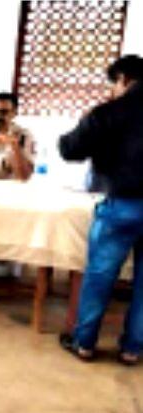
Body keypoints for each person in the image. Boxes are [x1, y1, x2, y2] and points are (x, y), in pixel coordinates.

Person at [58, 55, 143, 366]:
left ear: (123, 79)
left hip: (122, 205)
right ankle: (133, 349)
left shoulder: (109, 112)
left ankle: (84, 343)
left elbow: (69, 149)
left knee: (100, 275)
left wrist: (87, 121)